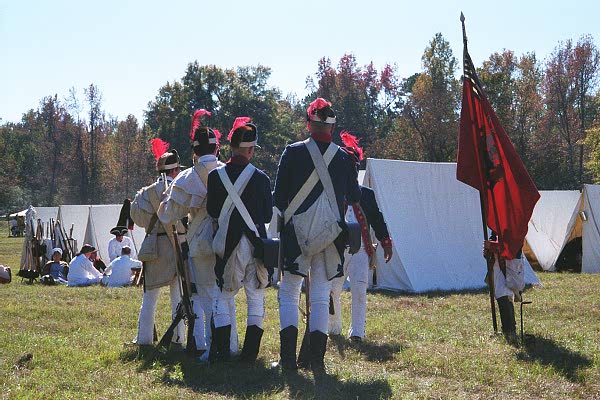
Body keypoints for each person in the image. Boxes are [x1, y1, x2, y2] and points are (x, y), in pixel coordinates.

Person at [272, 98, 363, 375]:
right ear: (332, 128)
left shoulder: (292, 152)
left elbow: (279, 198)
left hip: (297, 233)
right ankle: (317, 361)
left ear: (309, 124)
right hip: (330, 236)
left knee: (289, 293)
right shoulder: (345, 158)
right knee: (321, 296)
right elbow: (355, 196)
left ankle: (288, 361)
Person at [158, 109, 239, 359]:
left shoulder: (186, 178)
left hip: (201, 242)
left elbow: (167, 215)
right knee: (227, 294)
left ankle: (213, 347)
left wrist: (165, 200)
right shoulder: (231, 172)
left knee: (206, 295)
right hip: (229, 240)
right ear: (217, 149)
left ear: (194, 152)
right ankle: (232, 345)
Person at [206, 117, 273, 363]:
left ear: (231, 148)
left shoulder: (215, 178)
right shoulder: (262, 179)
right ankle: (250, 356)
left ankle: (223, 355)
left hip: (227, 244)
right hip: (255, 245)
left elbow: (213, 211)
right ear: (251, 149)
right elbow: (266, 215)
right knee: (255, 297)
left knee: (223, 297)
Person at [328, 133, 393, 342]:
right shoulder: (332, 193)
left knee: (359, 291)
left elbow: (377, 219)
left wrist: (385, 242)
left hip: (361, 249)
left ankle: (357, 332)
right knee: (333, 290)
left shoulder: (366, 194)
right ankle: (334, 327)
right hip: (336, 249)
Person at [130, 139, 186, 346]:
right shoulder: (181, 190)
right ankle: (178, 339)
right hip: (177, 247)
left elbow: (138, 218)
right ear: (176, 169)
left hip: (155, 246)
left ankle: (144, 340)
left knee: (150, 298)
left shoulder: (145, 193)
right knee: (177, 298)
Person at [483, 233, 524, 344]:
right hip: (498, 261)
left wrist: (492, 246)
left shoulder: (513, 219)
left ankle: (510, 331)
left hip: (510, 261)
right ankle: (508, 330)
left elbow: (512, 242)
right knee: (501, 293)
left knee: (505, 293)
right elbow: (494, 235)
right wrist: (488, 250)